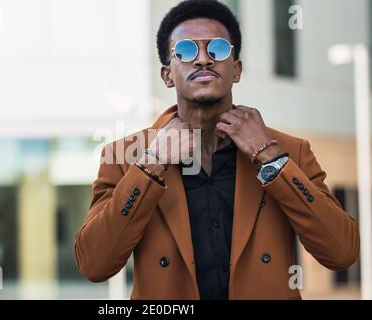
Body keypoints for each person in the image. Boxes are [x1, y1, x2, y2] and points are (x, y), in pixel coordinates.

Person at [75, 0, 359, 299]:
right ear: (167, 75)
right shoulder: (125, 156)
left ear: (235, 70)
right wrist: (150, 165)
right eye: (185, 51)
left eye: (217, 49)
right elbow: (95, 264)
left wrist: (270, 158)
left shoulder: (289, 151)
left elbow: (341, 252)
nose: (202, 60)